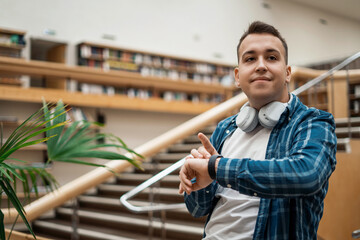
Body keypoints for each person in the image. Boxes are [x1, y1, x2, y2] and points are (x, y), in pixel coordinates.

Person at [178, 21, 337, 240]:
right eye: (250, 59)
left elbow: (306, 173)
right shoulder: (226, 128)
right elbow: (196, 210)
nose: (260, 65)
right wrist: (199, 182)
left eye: (271, 57)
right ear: (237, 76)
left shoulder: (313, 122)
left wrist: (217, 168)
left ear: (288, 72)